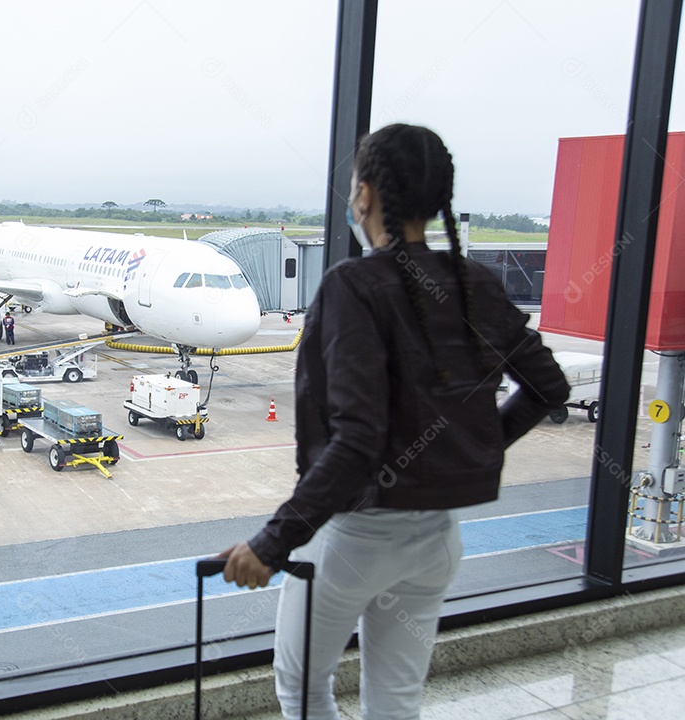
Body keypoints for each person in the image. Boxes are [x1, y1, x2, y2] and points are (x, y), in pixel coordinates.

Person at [217, 124, 569, 720]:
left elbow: (357, 438)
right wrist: (471, 447)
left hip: (356, 540)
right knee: (397, 699)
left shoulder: (353, 286)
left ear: (366, 195)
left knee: (302, 690)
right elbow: (548, 388)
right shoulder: (474, 282)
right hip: (436, 543)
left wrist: (272, 543)